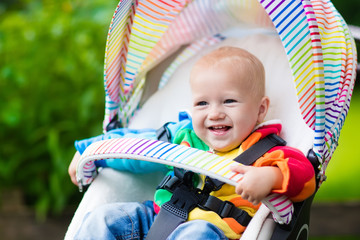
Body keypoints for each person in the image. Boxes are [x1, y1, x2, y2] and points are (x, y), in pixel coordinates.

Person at [70, 47, 316, 240]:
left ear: (261, 110)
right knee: (102, 220)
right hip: (155, 221)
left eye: (229, 101)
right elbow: (135, 147)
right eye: (202, 104)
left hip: (211, 232)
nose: (215, 113)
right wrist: (91, 150)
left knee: (196, 235)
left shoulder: (266, 152)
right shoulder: (182, 136)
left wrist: (269, 178)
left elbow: (304, 175)